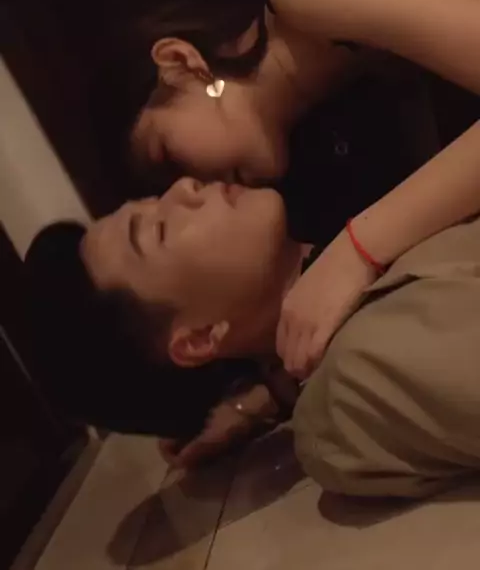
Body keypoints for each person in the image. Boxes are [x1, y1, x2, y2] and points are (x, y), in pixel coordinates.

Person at [128, 0, 480, 378]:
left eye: (168, 154)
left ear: (180, 64)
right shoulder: (344, 102)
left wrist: (361, 249)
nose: (190, 187)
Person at [26, 177, 480, 495]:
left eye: (153, 200)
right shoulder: (355, 378)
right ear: (200, 338)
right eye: (159, 230)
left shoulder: (355, 199)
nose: (183, 188)